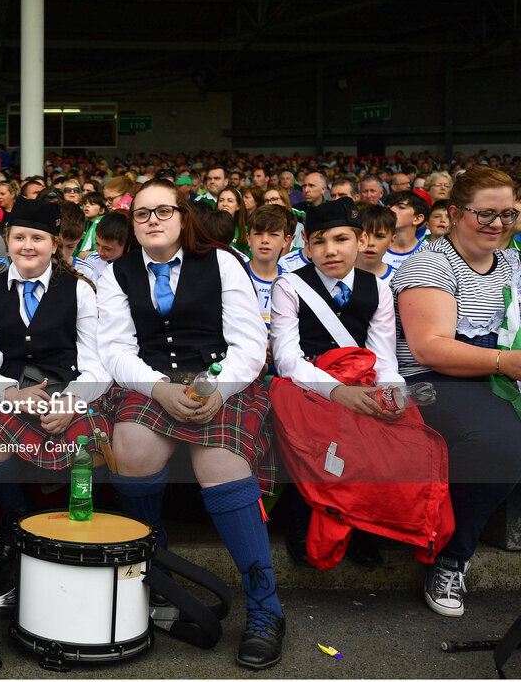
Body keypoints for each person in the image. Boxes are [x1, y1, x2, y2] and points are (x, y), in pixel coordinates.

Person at [97, 178, 283, 669]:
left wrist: (219, 390)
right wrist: (157, 387)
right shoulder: (116, 272)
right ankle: (152, 574)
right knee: (131, 448)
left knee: (220, 466)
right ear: (131, 223)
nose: (152, 220)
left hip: (222, 381)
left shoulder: (222, 261)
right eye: (142, 214)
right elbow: (114, 348)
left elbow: (249, 343)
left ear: (184, 216)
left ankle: (266, 606)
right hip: (151, 382)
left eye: (163, 211)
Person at [392, 165, 521, 618]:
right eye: (485, 214)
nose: (498, 224)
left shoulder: (511, 260)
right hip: (431, 382)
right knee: (504, 442)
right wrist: (509, 363)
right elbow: (431, 350)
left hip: (496, 372)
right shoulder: (431, 263)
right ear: (453, 213)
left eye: (508, 214)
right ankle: (452, 556)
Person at [270, 198, 405, 569]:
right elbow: (286, 359)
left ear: (360, 242)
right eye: (319, 241)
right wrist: (336, 391)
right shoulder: (290, 286)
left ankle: (363, 524)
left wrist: (393, 391)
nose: (330, 250)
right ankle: (303, 518)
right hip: (306, 385)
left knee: (387, 431)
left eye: (341, 239)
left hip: (361, 382)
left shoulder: (377, 288)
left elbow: (383, 356)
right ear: (306, 247)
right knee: (315, 432)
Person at [0, 198, 111, 519]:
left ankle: (75, 521)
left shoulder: (80, 290)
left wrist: (72, 401)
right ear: (7, 241)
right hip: (9, 393)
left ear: (54, 244)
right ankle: (16, 521)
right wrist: (11, 395)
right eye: (19, 238)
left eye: (38, 238)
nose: (27, 246)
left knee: (94, 448)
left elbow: (96, 364)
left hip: (70, 391)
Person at [246, 205, 295, 338]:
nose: (265, 240)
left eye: (273, 234)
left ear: (286, 240)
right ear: (248, 238)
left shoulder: (293, 283)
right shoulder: (235, 276)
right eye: (258, 233)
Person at [383, 190, 429, 267]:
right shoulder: (373, 249)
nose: (391, 210)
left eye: (401, 207)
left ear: (417, 218)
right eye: (389, 207)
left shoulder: (429, 252)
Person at [357, 205, 398, 283]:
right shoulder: (338, 274)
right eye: (364, 236)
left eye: (379, 236)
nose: (370, 243)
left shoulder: (398, 280)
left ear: (392, 241)